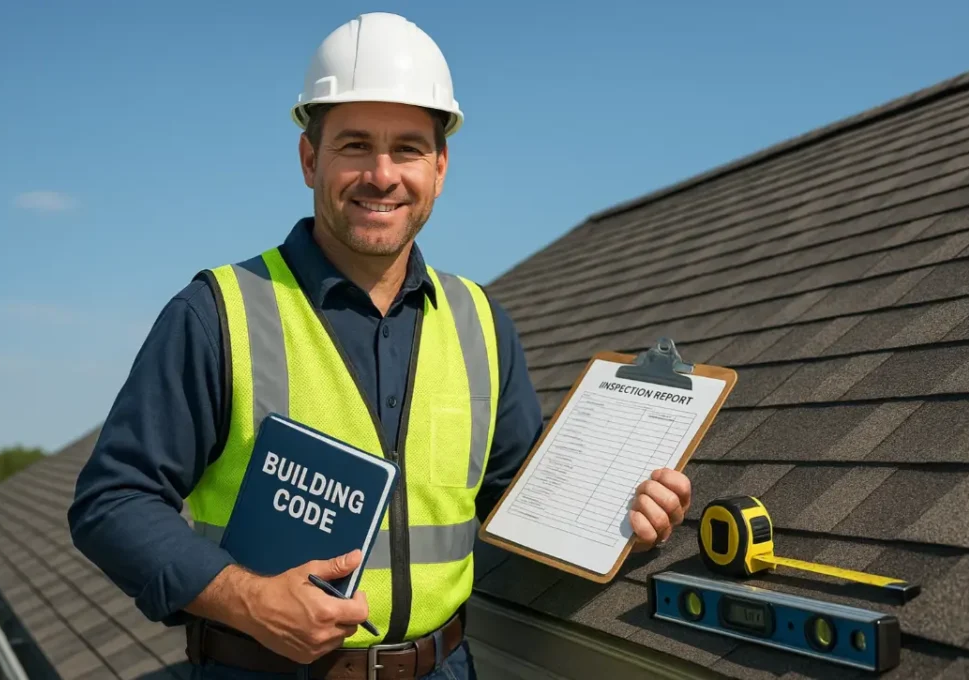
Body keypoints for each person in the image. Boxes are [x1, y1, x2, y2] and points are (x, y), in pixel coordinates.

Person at [67, 11, 692, 680]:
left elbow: (517, 500)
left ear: (440, 166)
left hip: (445, 667)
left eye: (408, 149)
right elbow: (113, 500)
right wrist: (246, 600)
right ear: (311, 159)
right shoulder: (217, 312)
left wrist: (619, 510)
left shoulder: (481, 322)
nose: (382, 174)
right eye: (356, 145)